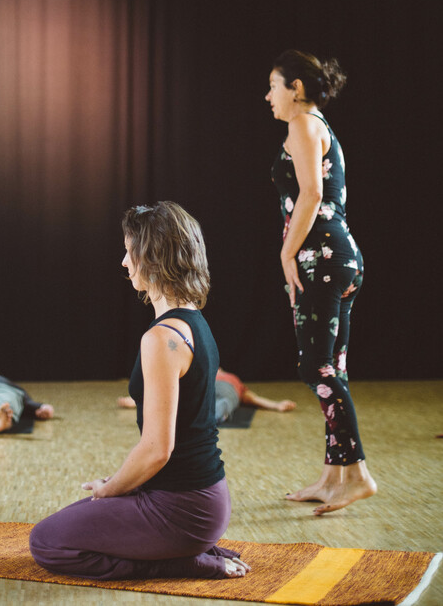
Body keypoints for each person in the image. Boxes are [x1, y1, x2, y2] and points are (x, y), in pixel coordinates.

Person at [30, 201, 249, 581]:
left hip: (185, 509)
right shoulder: (194, 322)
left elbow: (156, 450)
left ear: (152, 256)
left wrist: (111, 490)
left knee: (46, 541)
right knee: (83, 510)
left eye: (129, 251)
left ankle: (180, 561)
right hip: (204, 500)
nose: (123, 262)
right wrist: (112, 489)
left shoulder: (162, 338)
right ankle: (189, 548)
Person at [265, 50, 377, 515]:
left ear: (296, 88)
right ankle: (334, 477)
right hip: (338, 259)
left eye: (273, 85)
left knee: (316, 369)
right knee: (333, 370)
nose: (267, 95)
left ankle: (359, 475)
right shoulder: (317, 126)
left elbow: (310, 193)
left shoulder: (304, 124)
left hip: (323, 260)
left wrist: (287, 251)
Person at [117, 367, 296, 422]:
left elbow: (254, 399)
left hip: (224, 391)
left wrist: (277, 405)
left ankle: (207, 416)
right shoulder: (203, 372)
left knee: (224, 402)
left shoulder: (233, 379)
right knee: (182, 397)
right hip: (203, 389)